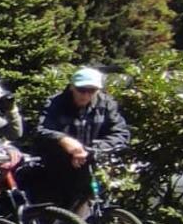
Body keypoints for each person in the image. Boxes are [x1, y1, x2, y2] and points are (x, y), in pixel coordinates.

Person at [33, 66, 130, 214]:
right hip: (55, 171)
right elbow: (40, 130)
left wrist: (89, 149)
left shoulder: (105, 104)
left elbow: (121, 133)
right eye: (81, 90)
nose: (85, 95)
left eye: (91, 90)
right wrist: (62, 139)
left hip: (88, 169)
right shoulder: (55, 103)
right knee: (53, 221)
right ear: (72, 87)